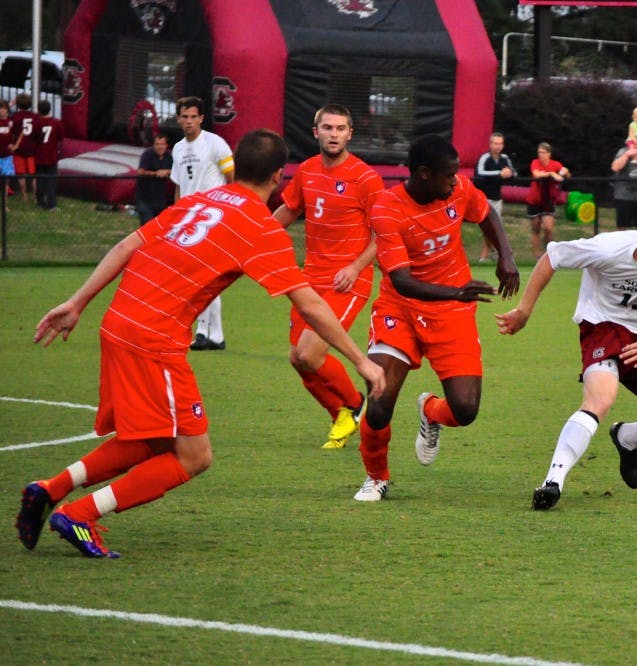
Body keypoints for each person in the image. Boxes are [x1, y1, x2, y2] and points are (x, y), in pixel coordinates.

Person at [15, 129, 386, 558]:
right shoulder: (259, 229)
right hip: (154, 338)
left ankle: (49, 489)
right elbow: (311, 304)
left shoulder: (198, 200)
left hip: (120, 322)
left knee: (153, 439)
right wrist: (362, 360)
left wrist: (78, 302)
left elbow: (127, 244)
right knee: (194, 455)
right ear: (278, 177)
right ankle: (80, 513)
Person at [495, 203, 637, 510]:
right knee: (600, 399)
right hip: (603, 329)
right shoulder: (609, 249)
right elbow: (552, 256)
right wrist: (524, 310)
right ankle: (553, 481)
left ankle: (627, 437)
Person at [354, 134, 520, 502]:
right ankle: (376, 477)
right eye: (448, 176)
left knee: (465, 409)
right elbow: (401, 280)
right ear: (424, 174)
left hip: (451, 314)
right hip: (400, 308)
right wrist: (457, 292)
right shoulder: (386, 208)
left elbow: (485, 212)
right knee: (379, 401)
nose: (455, 182)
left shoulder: (457, 188)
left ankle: (430, 410)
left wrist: (505, 257)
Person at [272, 103, 384, 450]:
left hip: (347, 281)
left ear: (350, 134)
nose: (333, 134)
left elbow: (384, 233)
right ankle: (341, 411)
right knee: (298, 359)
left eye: (340, 129)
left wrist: (354, 267)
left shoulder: (366, 178)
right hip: (310, 279)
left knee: (309, 353)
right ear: (315, 131)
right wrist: (253, 236)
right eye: (328, 128)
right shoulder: (306, 170)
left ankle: (353, 403)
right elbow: (289, 210)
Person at [170, 96, 234, 351]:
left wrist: (227, 209)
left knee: (203, 276)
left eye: (193, 116)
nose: (189, 121)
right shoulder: (177, 149)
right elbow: (178, 186)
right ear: (178, 119)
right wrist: (176, 216)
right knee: (202, 276)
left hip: (211, 218)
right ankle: (215, 335)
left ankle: (203, 332)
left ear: (201, 118)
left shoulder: (215, 143)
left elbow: (231, 177)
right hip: (188, 220)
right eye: (184, 117)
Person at [473, 131, 516, 262]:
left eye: (500, 143)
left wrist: (509, 173)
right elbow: (479, 172)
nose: (498, 146)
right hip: (484, 197)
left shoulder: (505, 158)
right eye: (495, 143)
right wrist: (499, 173)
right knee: (488, 226)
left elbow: (513, 172)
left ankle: (494, 252)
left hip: (498, 199)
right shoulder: (484, 158)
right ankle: (486, 254)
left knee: (496, 227)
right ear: (490, 144)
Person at [526, 142, 569, 259]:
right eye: (539, 152)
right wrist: (550, 174)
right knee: (536, 228)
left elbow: (564, 174)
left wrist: (564, 172)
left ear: (549, 154)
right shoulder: (535, 162)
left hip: (548, 201)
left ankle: (548, 254)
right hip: (534, 200)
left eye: (543, 152)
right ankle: (536, 257)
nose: (541, 155)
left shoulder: (555, 164)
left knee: (548, 228)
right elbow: (536, 174)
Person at [135, 132, 174, 224]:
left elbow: (175, 170)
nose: (160, 147)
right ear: (153, 145)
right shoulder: (147, 154)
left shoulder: (168, 156)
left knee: (159, 225)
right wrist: (156, 173)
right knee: (147, 224)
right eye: (157, 144)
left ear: (166, 145)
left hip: (160, 198)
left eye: (162, 144)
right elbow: (141, 171)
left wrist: (167, 171)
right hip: (145, 198)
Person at [33, 100, 63, 210]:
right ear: (50, 109)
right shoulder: (56, 122)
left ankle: (40, 202)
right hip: (51, 155)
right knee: (51, 180)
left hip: (39, 154)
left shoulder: (36, 123)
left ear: (39, 110)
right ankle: (51, 203)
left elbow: (34, 138)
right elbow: (60, 137)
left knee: (40, 179)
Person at [10, 93, 40, 202]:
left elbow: (11, 132)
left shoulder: (15, 117)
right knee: (34, 174)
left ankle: (24, 195)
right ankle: (35, 196)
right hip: (32, 149)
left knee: (21, 173)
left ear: (17, 105)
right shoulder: (35, 117)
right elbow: (38, 132)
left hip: (19, 149)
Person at [0, 100, 14, 203]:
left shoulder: (11, 122)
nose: (2, 110)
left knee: (6, 180)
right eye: (0, 108)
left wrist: (14, 144)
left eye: (4, 108)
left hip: (7, 156)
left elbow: (19, 134)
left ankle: (5, 204)